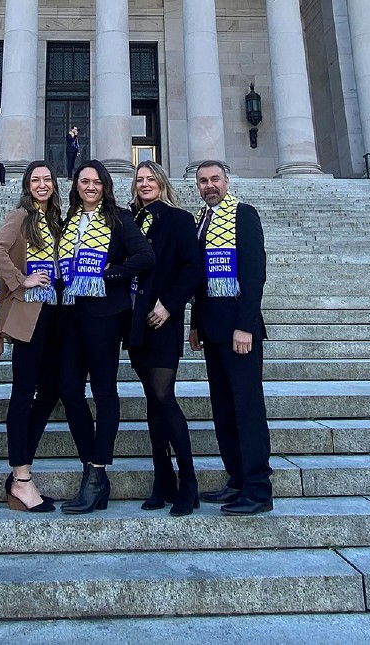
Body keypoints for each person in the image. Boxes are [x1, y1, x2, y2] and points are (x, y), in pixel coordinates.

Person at [55, 159, 153, 514]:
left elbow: (145, 256)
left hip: (104, 315)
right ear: (76, 185)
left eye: (97, 181)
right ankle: (90, 465)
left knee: (104, 391)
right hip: (69, 314)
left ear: (105, 185)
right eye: (84, 181)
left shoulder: (120, 219)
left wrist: (111, 275)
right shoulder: (66, 221)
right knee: (68, 389)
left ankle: (96, 474)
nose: (91, 186)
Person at [189, 160, 273, 515]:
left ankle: (258, 490)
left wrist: (246, 325)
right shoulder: (200, 221)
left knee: (247, 408)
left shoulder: (244, 215)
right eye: (203, 181)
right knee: (224, 408)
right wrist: (195, 323)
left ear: (227, 181)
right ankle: (236, 479)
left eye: (215, 179)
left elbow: (254, 275)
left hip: (240, 331)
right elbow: (201, 279)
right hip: (212, 330)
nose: (210, 186)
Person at [0, 160, 65, 512]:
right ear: (27, 185)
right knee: (23, 393)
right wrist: (21, 279)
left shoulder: (57, 219)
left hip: (56, 315)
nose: (42, 184)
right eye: (36, 180)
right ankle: (21, 477)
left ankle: (21, 463)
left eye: (47, 179)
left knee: (51, 391)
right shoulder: (21, 215)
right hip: (29, 314)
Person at [128, 160, 203, 516]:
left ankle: (188, 481)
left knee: (163, 395)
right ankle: (163, 480)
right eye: (139, 179)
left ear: (161, 182)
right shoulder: (128, 221)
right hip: (136, 323)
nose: (144, 184)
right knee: (151, 400)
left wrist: (169, 305)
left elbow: (193, 268)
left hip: (164, 320)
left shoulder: (179, 219)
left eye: (150, 178)